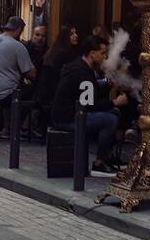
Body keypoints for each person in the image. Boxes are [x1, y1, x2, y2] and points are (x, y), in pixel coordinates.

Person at [51, 34, 123, 177]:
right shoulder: (82, 72)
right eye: (103, 54)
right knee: (110, 120)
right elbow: (89, 105)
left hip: (70, 113)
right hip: (68, 118)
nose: (105, 57)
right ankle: (99, 163)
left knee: (114, 114)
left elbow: (90, 93)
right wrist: (114, 102)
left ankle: (107, 157)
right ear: (92, 54)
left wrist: (107, 85)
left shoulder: (82, 67)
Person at [0, 16, 36, 117]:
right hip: (3, 96)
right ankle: (22, 127)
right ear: (19, 30)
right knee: (34, 93)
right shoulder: (17, 45)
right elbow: (31, 73)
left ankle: (7, 127)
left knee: (11, 87)